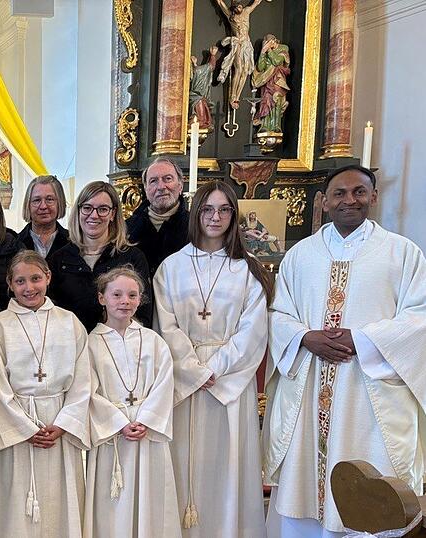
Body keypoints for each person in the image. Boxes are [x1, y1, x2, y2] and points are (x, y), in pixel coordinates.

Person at [264, 165, 426, 537]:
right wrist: (305, 337)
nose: (348, 200)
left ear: (373, 196)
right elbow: (278, 313)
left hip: (370, 393)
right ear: (323, 202)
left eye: (358, 192)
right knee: (305, 493)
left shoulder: (402, 254)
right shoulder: (300, 256)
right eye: (338, 193)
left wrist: (364, 341)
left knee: (375, 494)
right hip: (310, 389)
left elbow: (419, 317)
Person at [153, 181, 271, 536]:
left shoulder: (246, 270)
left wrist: (214, 370)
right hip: (185, 382)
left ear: (234, 216)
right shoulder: (171, 268)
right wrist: (192, 370)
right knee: (184, 464)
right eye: (207, 209)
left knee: (228, 465)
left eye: (223, 210)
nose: (215, 217)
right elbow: (165, 323)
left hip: (229, 383)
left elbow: (253, 330)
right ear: (196, 213)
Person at [0, 250, 90, 537]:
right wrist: (26, 429)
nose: (29, 288)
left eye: (36, 279)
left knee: (59, 498)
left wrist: (63, 424)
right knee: (12, 500)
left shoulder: (69, 322)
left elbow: (84, 380)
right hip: (17, 428)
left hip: (58, 423)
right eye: (21, 281)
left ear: (48, 278)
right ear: (10, 284)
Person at [86, 267, 179, 538]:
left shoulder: (153, 340)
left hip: (145, 433)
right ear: (102, 298)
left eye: (132, 295)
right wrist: (118, 423)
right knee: (112, 500)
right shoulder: (91, 343)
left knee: (149, 497)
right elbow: (87, 390)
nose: (124, 301)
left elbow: (165, 382)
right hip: (112, 436)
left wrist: (146, 419)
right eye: (116, 294)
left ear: (140, 300)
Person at [49, 181, 152, 331]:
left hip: (118, 346)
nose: (94, 215)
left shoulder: (132, 257)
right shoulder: (58, 259)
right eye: (87, 208)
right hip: (71, 345)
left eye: (103, 209)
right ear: (78, 211)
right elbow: (51, 313)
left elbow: (143, 314)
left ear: (113, 213)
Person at [125, 157, 190, 276]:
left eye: (168, 179)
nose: (161, 187)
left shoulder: (195, 226)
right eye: (153, 181)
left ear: (180, 185)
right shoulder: (126, 228)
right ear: (145, 189)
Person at [17, 175, 71, 259]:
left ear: (60, 203)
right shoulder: (14, 244)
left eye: (49, 199)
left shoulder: (73, 242)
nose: (43, 206)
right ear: (28, 205)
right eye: (36, 200)